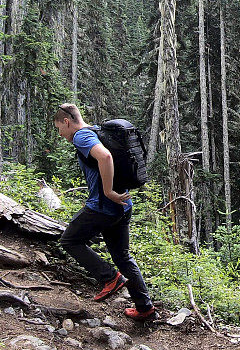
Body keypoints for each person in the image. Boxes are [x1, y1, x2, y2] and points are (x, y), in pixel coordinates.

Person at [54, 103, 155, 320]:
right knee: (123, 256)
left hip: (103, 207)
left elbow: (105, 157)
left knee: (70, 241)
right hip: (123, 206)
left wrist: (108, 191)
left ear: (66, 122)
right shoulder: (97, 130)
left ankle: (109, 278)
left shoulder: (82, 136)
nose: (61, 135)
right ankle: (145, 308)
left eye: (59, 129)